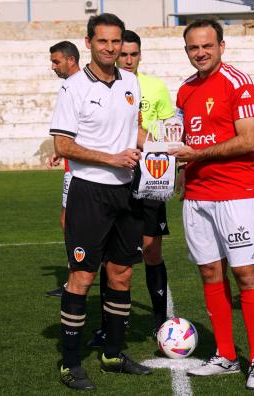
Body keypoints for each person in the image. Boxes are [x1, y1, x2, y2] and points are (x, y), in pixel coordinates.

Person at [49, 13, 151, 391]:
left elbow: (132, 130)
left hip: (127, 190)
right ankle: (71, 363)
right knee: (83, 277)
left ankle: (112, 353)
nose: (111, 48)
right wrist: (111, 158)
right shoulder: (73, 87)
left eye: (116, 42)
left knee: (121, 273)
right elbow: (63, 145)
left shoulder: (131, 82)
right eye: (103, 41)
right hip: (89, 191)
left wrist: (161, 146)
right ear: (89, 41)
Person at [168, 19, 254, 390]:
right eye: (194, 48)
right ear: (187, 51)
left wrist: (196, 154)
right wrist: (176, 171)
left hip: (236, 196)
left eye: (207, 46)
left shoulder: (238, 83)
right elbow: (181, 139)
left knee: (246, 275)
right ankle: (226, 355)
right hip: (196, 198)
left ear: (221, 46)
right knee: (210, 273)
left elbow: (247, 141)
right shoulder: (184, 91)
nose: (201, 53)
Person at [87, 29, 174, 347]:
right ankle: (107, 326)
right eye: (122, 54)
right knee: (108, 256)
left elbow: (167, 132)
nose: (127, 59)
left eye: (133, 54)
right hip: (111, 177)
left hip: (149, 176)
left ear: (140, 55)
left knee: (151, 250)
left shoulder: (155, 88)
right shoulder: (98, 86)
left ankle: (161, 323)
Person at [45, 40, 81, 298]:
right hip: (72, 165)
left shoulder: (75, 86)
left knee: (71, 222)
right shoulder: (74, 85)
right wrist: (60, 150)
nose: (53, 66)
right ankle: (74, 277)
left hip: (80, 170)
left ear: (71, 60)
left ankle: (77, 278)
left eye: (56, 61)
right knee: (68, 221)